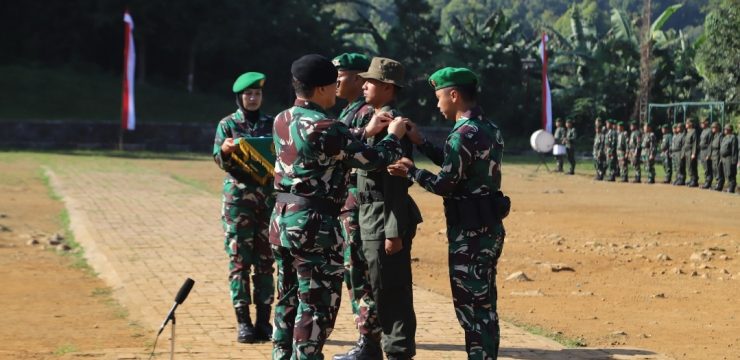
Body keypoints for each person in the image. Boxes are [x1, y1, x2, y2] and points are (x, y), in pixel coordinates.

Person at [269, 54, 407, 360]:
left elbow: (327, 145)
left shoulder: (282, 118)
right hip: (313, 226)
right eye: (333, 85)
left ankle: (281, 355)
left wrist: (364, 132)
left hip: (282, 221)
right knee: (316, 307)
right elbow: (374, 160)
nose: (337, 90)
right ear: (319, 89)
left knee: (288, 299)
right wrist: (393, 136)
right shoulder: (326, 126)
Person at [389, 67, 506, 360]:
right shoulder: (488, 128)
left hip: (469, 234)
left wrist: (412, 171)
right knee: (485, 305)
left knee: (470, 308)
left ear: (453, 95)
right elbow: (459, 166)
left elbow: (445, 183)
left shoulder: (461, 135)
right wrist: (422, 143)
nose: (437, 103)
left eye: (439, 97)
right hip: (488, 228)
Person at [343, 56, 423, 360]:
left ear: (387, 87)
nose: (364, 85)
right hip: (369, 215)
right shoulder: (375, 120)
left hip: (384, 216)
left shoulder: (394, 125)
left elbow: (395, 182)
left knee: (392, 291)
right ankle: (378, 349)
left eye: (371, 81)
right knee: (376, 288)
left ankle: (399, 351)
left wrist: (393, 231)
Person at [213, 72, 275, 343]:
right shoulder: (227, 125)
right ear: (240, 97)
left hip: (267, 202)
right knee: (239, 262)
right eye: (248, 94)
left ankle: (264, 322)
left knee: (265, 263)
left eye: (257, 94)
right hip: (238, 203)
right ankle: (243, 323)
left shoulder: (272, 124)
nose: (253, 98)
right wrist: (225, 151)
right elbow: (218, 158)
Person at [331, 53, 384, 360]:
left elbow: (364, 157)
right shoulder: (350, 111)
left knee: (359, 274)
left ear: (358, 78)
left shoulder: (365, 113)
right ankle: (366, 339)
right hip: (347, 205)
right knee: (354, 273)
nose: (335, 82)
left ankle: (369, 342)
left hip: (357, 205)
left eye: (340, 77)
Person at [719, 124, 738, 193]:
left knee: (730, 173)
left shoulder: (733, 137)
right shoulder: (725, 137)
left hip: (729, 158)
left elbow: (734, 150)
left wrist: (734, 161)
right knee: (726, 173)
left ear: (729, 130)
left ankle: (731, 188)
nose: (724, 130)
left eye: (726, 129)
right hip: (724, 158)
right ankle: (729, 187)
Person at [684, 118, 700, 187]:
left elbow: (695, 143)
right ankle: (691, 179)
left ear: (690, 124)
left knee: (692, 166)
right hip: (687, 151)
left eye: (687, 123)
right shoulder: (688, 132)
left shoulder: (693, 131)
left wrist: (693, 153)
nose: (686, 124)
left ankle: (694, 180)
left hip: (691, 151)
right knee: (689, 166)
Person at [699, 118, 714, 189]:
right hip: (702, 151)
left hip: (706, 151)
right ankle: (706, 181)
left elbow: (710, 143)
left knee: (708, 167)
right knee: (704, 167)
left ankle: (708, 182)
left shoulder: (709, 131)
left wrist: (709, 154)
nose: (701, 124)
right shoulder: (703, 131)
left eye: (703, 122)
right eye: (701, 122)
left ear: (706, 123)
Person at [709, 121, 723, 191]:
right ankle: (717, 182)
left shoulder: (720, 135)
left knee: (718, 169)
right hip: (714, 153)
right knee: (714, 169)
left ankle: (719, 184)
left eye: (714, 127)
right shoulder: (714, 136)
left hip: (717, 153)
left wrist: (721, 157)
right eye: (712, 127)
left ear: (717, 128)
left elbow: (721, 147)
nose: (712, 129)